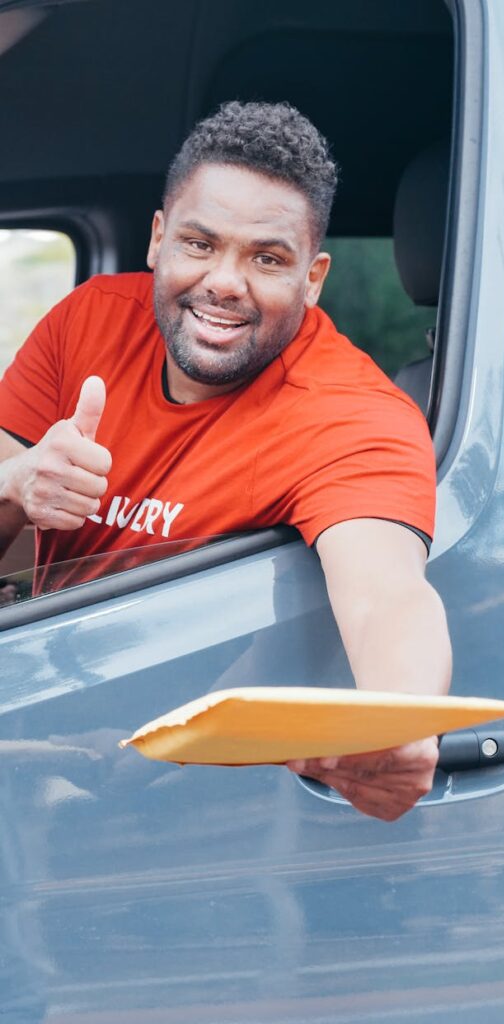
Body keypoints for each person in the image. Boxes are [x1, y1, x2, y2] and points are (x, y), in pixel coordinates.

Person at [0, 101, 451, 822]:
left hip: (197, 792)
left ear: (312, 278)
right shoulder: (86, 321)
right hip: (35, 722)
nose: (224, 283)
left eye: (266, 259)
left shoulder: (352, 414)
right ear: (157, 240)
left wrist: (400, 727)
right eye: (200, 244)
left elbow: (386, 597)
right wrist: (17, 485)